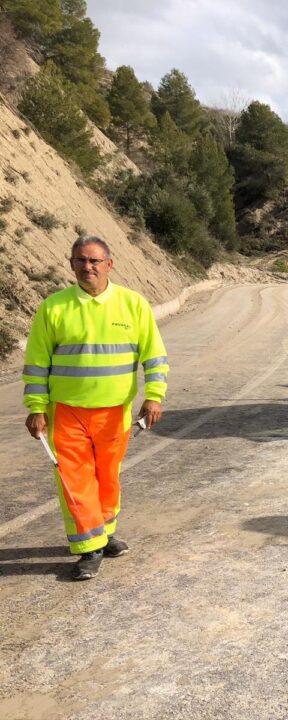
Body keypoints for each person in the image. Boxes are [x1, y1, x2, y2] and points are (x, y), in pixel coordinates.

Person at [22, 236, 168, 581]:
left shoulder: (133, 305)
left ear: (109, 265)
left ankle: (103, 533)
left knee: (108, 477)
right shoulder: (54, 308)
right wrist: (36, 407)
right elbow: (37, 363)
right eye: (80, 261)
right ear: (71, 264)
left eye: (94, 261)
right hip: (67, 411)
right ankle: (89, 549)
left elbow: (154, 355)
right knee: (75, 480)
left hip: (115, 411)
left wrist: (154, 395)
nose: (87, 267)